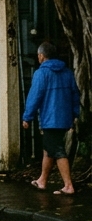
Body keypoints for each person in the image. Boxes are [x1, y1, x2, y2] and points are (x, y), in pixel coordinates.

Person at [22, 42, 81, 195]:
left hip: (50, 118)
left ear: (42, 56)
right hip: (64, 118)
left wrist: (27, 117)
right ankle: (42, 180)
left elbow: (34, 97)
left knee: (58, 150)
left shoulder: (41, 74)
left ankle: (68, 186)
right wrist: (74, 114)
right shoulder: (67, 72)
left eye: (38, 55)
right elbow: (75, 95)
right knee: (49, 149)